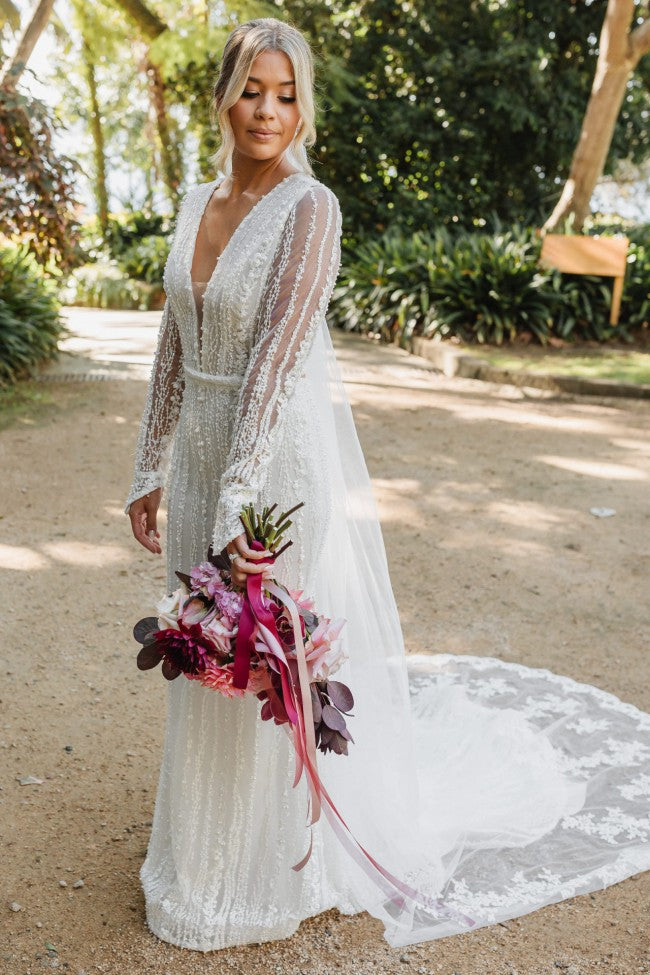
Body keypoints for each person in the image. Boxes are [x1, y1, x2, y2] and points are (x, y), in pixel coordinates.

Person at [125, 16, 650, 954]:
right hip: (201, 451)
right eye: (253, 90)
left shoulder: (310, 209)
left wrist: (242, 505)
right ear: (223, 98)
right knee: (200, 651)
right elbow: (175, 338)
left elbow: (276, 363)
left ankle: (266, 871)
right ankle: (198, 853)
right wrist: (149, 465)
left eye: (287, 95)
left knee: (257, 661)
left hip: (269, 472)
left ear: (303, 107)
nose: (268, 111)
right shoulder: (195, 199)